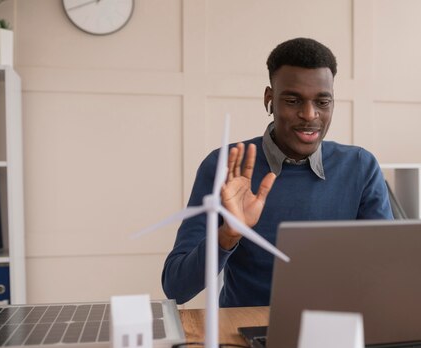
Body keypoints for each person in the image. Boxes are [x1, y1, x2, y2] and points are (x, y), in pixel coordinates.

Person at [163, 38, 393, 307]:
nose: (309, 114)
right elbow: (176, 287)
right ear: (269, 99)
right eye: (293, 100)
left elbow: (387, 271)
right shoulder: (225, 166)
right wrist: (229, 234)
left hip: (336, 329)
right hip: (246, 334)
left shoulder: (360, 166)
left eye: (322, 101)